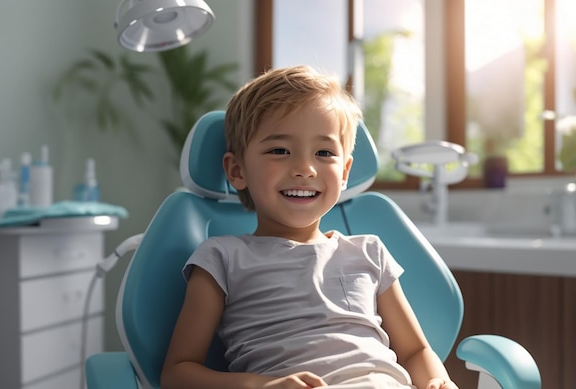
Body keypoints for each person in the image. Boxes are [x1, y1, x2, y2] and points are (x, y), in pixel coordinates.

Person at [160, 65, 458, 389]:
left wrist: (437, 382)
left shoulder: (369, 252)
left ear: (344, 173)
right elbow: (178, 374)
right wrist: (261, 386)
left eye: (324, 152)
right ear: (236, 170)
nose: (305, 168)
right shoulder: (221, 258)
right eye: (279, 150)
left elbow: (415, 350)